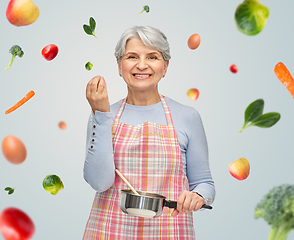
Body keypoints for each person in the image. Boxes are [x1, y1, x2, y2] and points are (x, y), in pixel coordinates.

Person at [82, 25, 215, 239]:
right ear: (119, 65)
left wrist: (198, 196)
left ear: (165, 66)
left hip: (170, 231)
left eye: (152, 57)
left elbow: (205, 183)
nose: (142, 65)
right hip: (109, 231)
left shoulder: (187, 117)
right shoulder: (103, 115)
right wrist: (101, 114)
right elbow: (99, 182)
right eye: (132, 56)